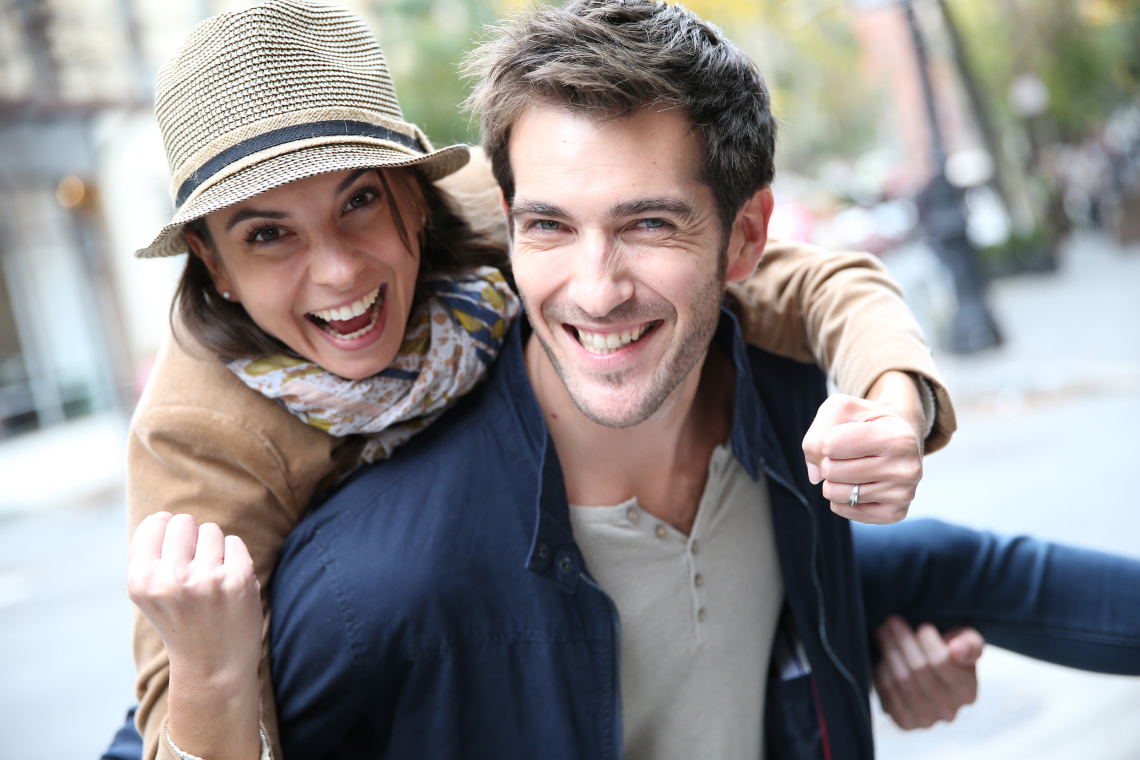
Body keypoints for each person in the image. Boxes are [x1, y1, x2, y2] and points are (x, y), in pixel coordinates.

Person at [116, 3, 968, 759]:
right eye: (267, 235)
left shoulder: (519, 226)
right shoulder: (198, 434)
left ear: (416, 196)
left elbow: (789, 278)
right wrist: (208, 673)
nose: (337, 270)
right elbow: (172, 724)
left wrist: (891, 402)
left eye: (359, 200)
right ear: (212, 263)